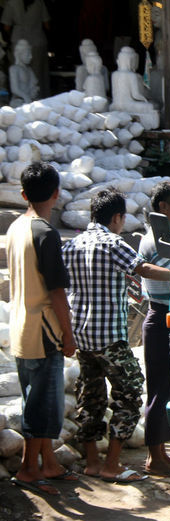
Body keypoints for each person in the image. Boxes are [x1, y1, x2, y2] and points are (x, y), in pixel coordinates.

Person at [62, 189, 170, 483]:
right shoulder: (113, 243)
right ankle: (112, 465)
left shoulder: (72, 245)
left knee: (90, 399)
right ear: (117, 217)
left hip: (82, 338)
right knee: (130, 395)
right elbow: (144, 269)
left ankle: (91, 463)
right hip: (110, 339)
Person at [6, 162, 77, 496]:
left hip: (21, 328)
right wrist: (69, 333)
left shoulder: (17, 228)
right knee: (41, 406)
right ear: (56, 194)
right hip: (45, 330)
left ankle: (48, 463)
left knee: (31, 398)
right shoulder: (45, 234)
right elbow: (57, 293)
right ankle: (28, 469)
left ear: (23, 195)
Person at [140, 181, 170, 476]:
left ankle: (161, 453)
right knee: (159, 388)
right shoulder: (154, 241)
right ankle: (154, 457)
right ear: (163, 207)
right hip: (161, 318)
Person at [1, 0, 50, 97]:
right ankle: (39, 99)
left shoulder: (11, 2)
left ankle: (20, 98)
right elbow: (47, 24)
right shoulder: (39, 2)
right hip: (37, 40)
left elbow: (6, 26)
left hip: (18, 41)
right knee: (38, 74)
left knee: (18, 73)